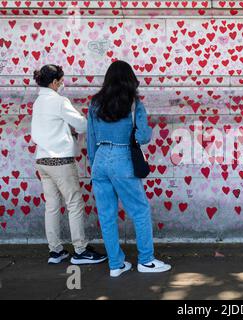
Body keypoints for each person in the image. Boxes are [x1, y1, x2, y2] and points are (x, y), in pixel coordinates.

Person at [87, 60, 171, 277]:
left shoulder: (94, 103)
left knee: (106, 216)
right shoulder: (133, 103)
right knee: (140, 210)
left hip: (99, 160)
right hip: (122, 158)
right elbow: (142, 136)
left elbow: (91, 139)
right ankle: (146, 260)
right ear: (130, 79)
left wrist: (95, 165)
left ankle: (116, 264)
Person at [31, 64, 107, 265]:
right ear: (54, 82)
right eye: (61, 80)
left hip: (42, 161)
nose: (63, 83)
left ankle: (55, 251)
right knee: (74, 204)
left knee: (52, 206)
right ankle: (80, 250)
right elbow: (81, 124)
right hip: (61, 161)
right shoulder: (59, 101)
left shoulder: (38, 102)